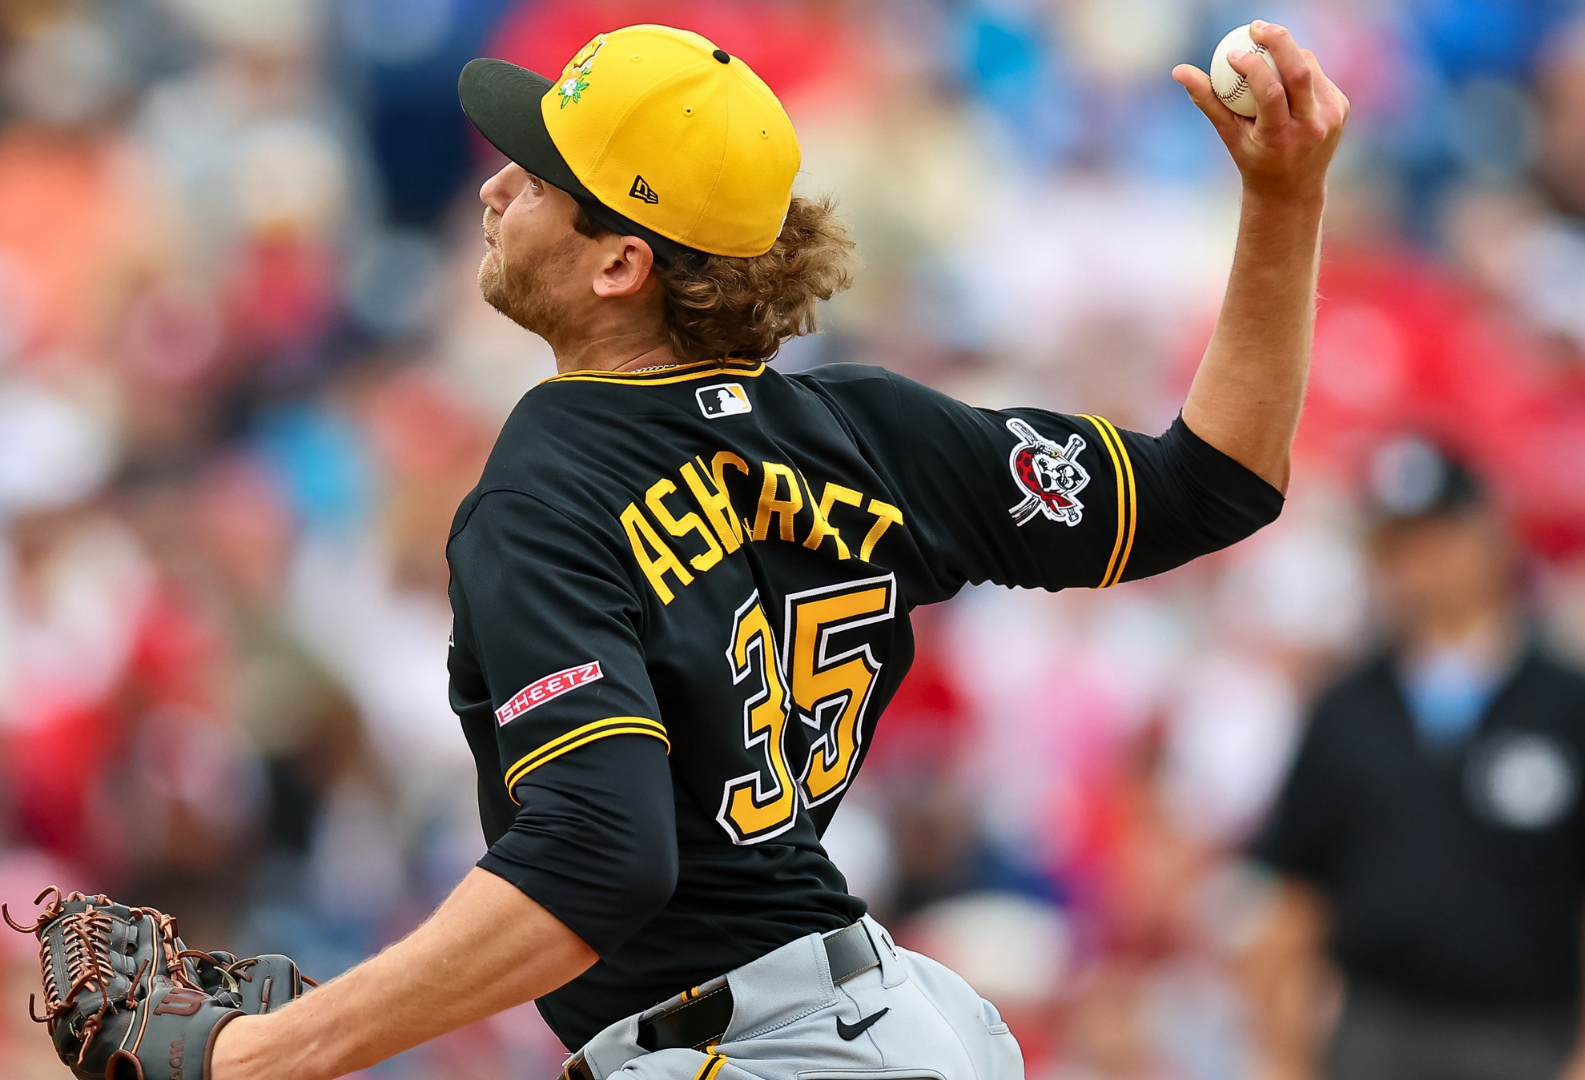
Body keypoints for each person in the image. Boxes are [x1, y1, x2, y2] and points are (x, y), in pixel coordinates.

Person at [210, 20, 1348, 1080]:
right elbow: (1215, 483)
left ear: (621, 265)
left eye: (541, 179)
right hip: (879, 1027)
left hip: (754, 1048)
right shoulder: (865, 431)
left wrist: (267, 1054)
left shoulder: (550, 484)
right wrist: (1285, 203)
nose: (496, 185)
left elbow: (599, 858)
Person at [1246, 437, 1585, 1080]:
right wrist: (1281, 1054)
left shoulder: (1566, 706)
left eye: (1435, 539)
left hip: (1523, 1040)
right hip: (1373, 1033)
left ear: (1489, 537)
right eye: (1396, 547)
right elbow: (1296, 895)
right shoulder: (1346, 710)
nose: (1415, 566)